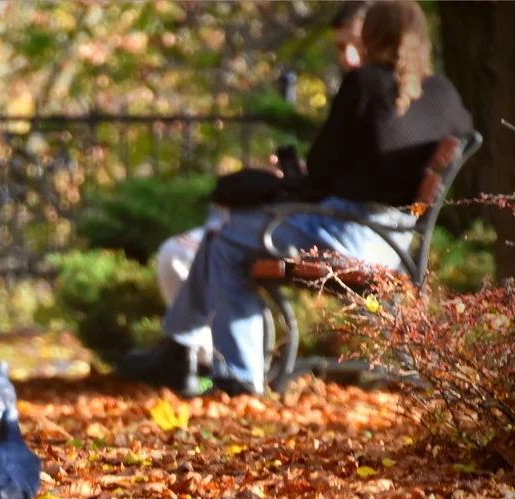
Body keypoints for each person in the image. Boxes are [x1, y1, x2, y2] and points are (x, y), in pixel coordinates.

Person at [123, 0, 474, 397]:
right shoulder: (443, 93)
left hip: (347, 234)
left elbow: (321, 172)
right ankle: (185, 350)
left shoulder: (365, 84)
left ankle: (225, 369)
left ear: (372, 36)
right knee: (227, 236)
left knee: (224, 239)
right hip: (397, 243)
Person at [151, 0, 373, 368]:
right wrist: (299, 178)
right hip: (347, 226)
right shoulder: (371, 94)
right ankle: (194, 354)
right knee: (213, 229)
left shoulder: (370, 94)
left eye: (356, 46)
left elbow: (343, 182)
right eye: (339, 47)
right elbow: (341, 176)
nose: (348, 58)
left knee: (215, 243)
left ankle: (204, 358)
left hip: (348, 236)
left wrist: (298, 184)